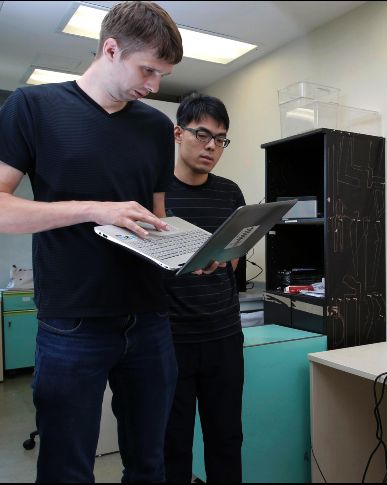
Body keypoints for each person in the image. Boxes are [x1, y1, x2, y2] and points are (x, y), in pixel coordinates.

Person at [0, 2, 186, 482]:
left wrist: (186, 255)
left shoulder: (154, 127)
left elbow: (157, 217)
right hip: (71, 323)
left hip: (149, 319)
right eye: (148, 69)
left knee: (150, 464)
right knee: (67, 467)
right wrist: (93, 208)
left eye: (162, 75)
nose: (154, 86)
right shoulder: (33, 107)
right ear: (110, 49)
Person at [162, 92, 246, 483]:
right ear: (179, 134)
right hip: (170, 339)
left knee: (227, 439)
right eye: (202, 134)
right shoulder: (155, 190)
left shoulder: (230, 194)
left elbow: (235, 262)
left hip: (224, 337)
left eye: (220, 139)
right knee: (172, 445)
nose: (211, 146)